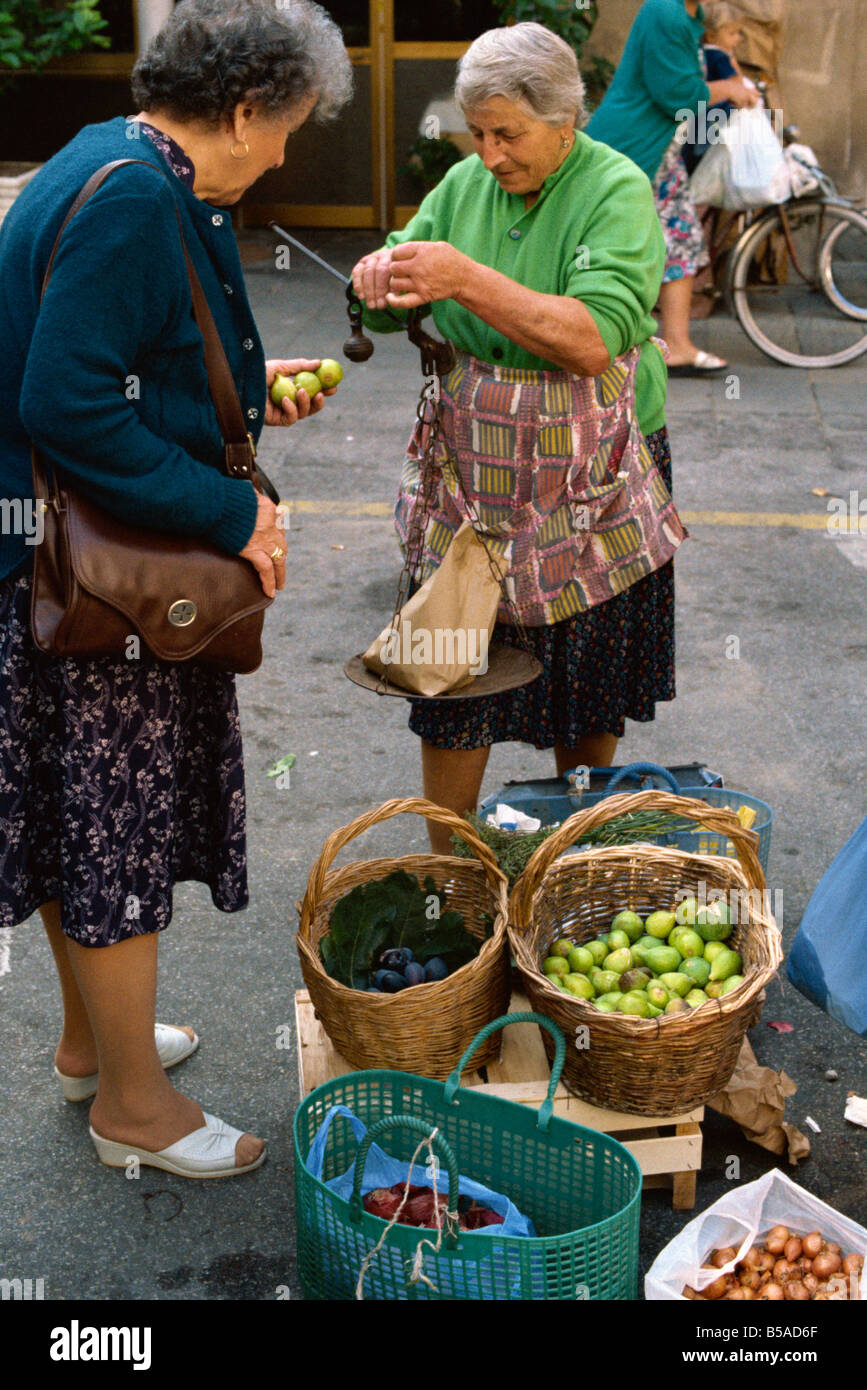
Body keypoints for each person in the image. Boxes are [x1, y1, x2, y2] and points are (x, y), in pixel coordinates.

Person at [0, 0, 351, 1177]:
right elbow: (68, 402)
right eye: (290, 128)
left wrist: (237, 404)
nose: (288, 153)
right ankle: (134, 1113)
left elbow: (124, 362)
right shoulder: (146, 200)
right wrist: (234, 508)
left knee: (72, 822)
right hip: (90, 584)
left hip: (39, 567)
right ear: (244, 109)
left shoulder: (113, 153)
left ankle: (90, 1043)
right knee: (113, 833)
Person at [352, 23, 687, 856]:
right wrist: (376, 280)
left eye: (508, 133)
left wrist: (462, 276)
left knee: (589, 673)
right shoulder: (464, 187)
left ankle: (571, 854)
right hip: (475, 469)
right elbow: (400, 273)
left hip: (593, 471)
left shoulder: (614, 189)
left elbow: (590, 338)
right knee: (452, 669)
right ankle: (453, 876)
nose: (490, 153)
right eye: (478, 133)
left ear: (565, 118)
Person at [587, 0, 759, 375]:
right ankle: (600, 341)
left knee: (681, 240)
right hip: (632, 148)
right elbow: (677, 94)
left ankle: (675, 345)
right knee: (615, 244)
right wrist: (729, 87)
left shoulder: (687, 15)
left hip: (661, 155)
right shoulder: (665, 11)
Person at [684, 2, 750, 174]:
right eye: (732, 33)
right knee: (705, 159)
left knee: (691, 153)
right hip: (716, 117)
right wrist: (733, 62)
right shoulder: (719, 57)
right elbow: (738, 86)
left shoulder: (702, 53)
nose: (737, 39)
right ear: (711, 36)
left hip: (699, 114)